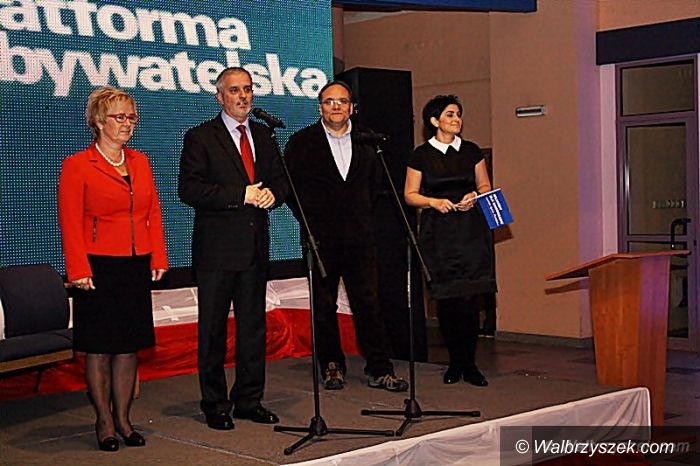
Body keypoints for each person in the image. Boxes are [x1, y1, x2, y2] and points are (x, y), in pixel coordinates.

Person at [58, 86, 168, 451]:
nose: (127, 124)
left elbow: (153, 212)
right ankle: (104, 421)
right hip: (96, 266)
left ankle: (123, 418)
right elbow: (70, 221)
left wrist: (158, 256)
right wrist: (78, 268)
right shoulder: (77, 165)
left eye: (132, 117)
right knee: (100, 347)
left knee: (128, 345)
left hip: (135, 264)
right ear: (98, 121)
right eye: (120, 117)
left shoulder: (141, 161)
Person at [178, 67, 288, 430]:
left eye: (248, 89)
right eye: (235, 90)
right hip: (216, 251)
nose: (243, 96)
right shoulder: (200, 137)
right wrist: (241, 195)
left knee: (253, 329)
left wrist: (273, 195)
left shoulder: (264, 134)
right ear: (220, 97)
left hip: (254, 248)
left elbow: (281, 181)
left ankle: (249, 400)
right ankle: (215, 404)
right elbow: (189, 189)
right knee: (212, 331)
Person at [284, 80, 408, 392]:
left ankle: (380, 368)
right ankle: (332, 366)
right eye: (329, 101)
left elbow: (374, 187)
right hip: (320, 239)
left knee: (368, 302)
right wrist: (312, 222)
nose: (336, 106)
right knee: (324, 305)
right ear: (320, 108)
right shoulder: (301, 142)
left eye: (342, 101)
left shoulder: (368, 141)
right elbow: (292, 190)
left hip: (360, 238)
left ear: (352, 107)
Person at [404, 94, 495, 387]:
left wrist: (475, 195)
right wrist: (433, 202)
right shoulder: (420, 155)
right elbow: (410, 194)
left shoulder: (471, 151)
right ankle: (455, 363)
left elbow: (485, 185)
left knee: (470, 299)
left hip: (471, 230)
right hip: (438, 233)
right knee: (447, 300)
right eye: (450, 114)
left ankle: (470, 364)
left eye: (458, 114)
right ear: (434, 121)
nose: (457, 119)